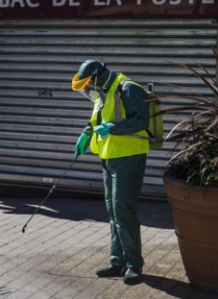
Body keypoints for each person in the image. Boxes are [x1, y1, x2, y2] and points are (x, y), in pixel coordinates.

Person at [71, 60, 150, 285]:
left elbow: (141, 121)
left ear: (98, 75)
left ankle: (134, 264)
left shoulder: (128, 88)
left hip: (129, 156)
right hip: (108, 157)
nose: (88, 90)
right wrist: (86, 134)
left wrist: (112, 129)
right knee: (113, 212)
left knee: (123, 210)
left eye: (88, 84)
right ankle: (117, 262)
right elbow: (97, 118)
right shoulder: (104, 91)